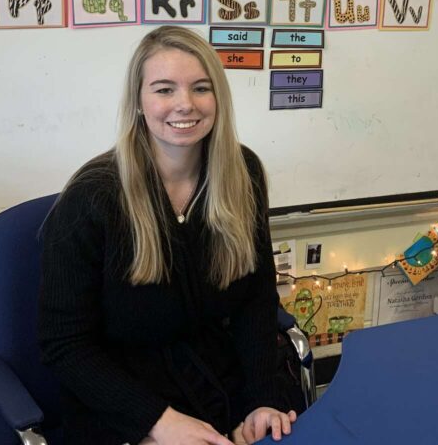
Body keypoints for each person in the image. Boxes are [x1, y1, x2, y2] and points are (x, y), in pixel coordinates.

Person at [39, 26, 296, 445]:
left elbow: (256, 301)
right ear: (139, 102)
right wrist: (157, 422)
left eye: (200, 88)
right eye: (164, 89)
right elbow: (65, 346)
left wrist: (262, 400)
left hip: (220, 386)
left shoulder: (241, 172)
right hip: (123, 401)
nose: (185, 105)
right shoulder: (92, 197)